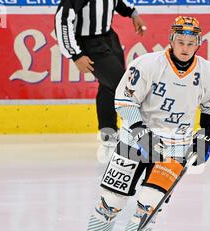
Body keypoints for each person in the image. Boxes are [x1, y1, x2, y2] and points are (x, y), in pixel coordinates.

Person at [71, 16, 210, 231]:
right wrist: (138, 129)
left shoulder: (208, 72)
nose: (185, 47)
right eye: (180, 41)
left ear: (198, 43)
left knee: (149, 207)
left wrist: (206, 134)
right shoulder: (147, 64)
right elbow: (124, 99)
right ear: (171, 40)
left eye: (191, 42)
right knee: (112, 201)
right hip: (134, 141)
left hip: (176, 146)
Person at [54, 0, 147, 148]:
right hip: (89, 42)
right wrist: (75, 54)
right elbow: (63, 18)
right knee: (122, 86)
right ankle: (139, 133)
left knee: (108, 86)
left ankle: (108, 130)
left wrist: (132, 13)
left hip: (109, 38)